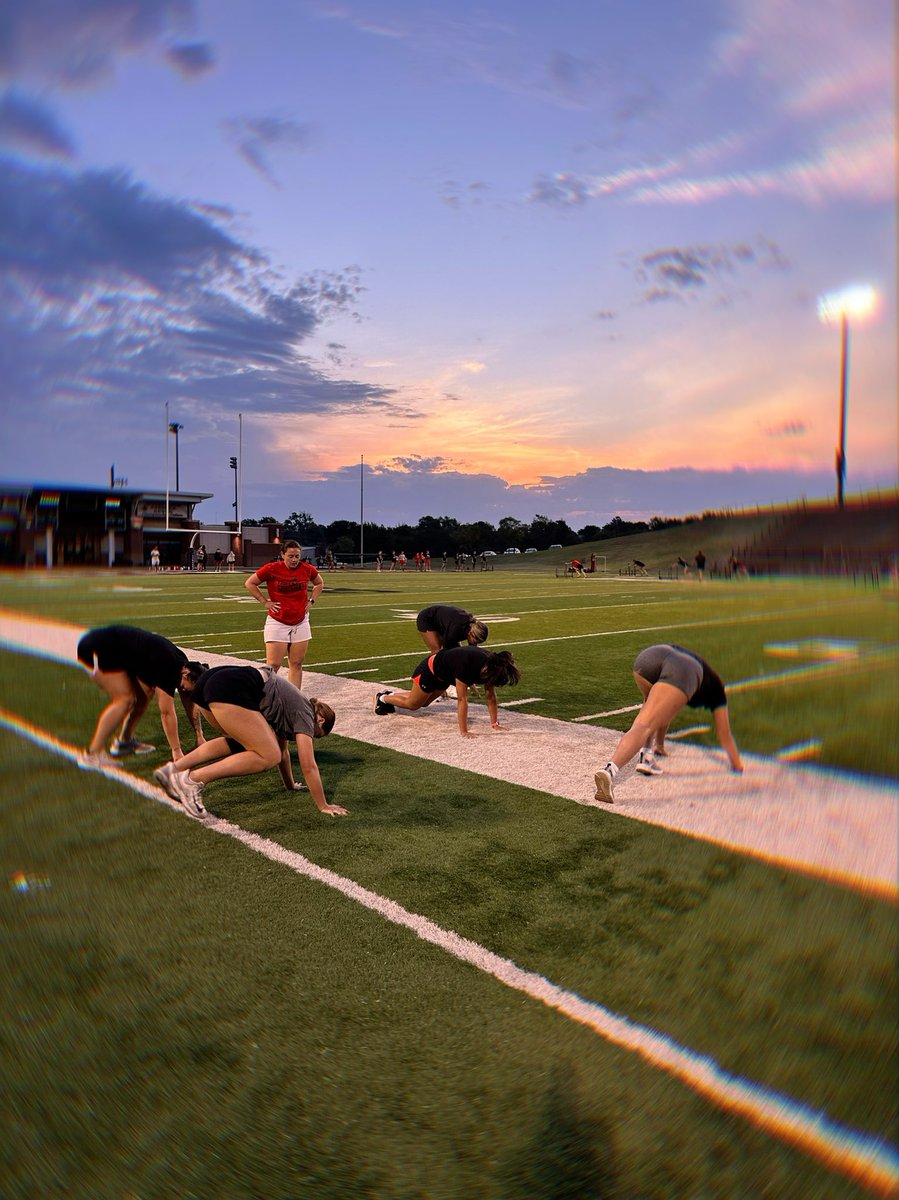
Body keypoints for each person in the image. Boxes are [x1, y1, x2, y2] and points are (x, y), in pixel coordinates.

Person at [154, 665, 347, 819]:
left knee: (240, 742)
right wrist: (323, 805)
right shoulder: (305, 713)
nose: (311, 737)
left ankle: (172, 769)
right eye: (317, 735)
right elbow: (308, 766)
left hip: (212, 680)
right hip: (230, 685)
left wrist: (290, 785)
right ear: (320, 720)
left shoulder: (290, 710)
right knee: (268, 755)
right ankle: (192, 780)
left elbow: (283, 752)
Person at [593, 644, 743, 804]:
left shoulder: (701, 672)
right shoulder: (718, 691)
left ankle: (646, 756)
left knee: (650, 712)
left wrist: (660, 745)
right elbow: (724, 735)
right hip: (683, 670)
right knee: (644, 725)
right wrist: (737, 765)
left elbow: (665, 715)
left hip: (649, 658)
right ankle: (610, 771)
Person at [76, 625, 206, 768]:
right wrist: (177, 751)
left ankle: (124, 743)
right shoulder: (169, 669)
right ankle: (91, 754)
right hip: (98, 648)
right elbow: (166, 713)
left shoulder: (183, 665)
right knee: (125, 700)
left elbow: (188, 700)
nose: (183, 690)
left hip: (122, 652)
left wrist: (199, 735)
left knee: (144, 696)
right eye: (186, 688)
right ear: (186, 675)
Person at [373, 646, 520, 738]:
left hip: (444, 676)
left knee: (424, 704)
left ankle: (391, 695)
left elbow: (491, 697)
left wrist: (495, 723)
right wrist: (464, 731)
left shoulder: (491, 666)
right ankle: (383, 698)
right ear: (487, 670)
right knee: (413, 705)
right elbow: (462, 699)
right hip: (429, 672)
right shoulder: (466, 663)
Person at [244, 540, 323, 690]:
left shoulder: (307, 568)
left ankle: (294, 698)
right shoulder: (272, 568)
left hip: (300, 621)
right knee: (273, 665)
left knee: (296, 663)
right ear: (282, 555)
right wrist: (264, 601)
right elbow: (250, 583)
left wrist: (311, 600)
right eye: (290, 556)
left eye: (297, 556)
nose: (294, 560)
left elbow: (319, 583)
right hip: (277, 621)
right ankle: (265, 697)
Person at [415, 604, 488, 653]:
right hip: (428, 619)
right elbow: (445, 648)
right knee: (438, 652)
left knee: (456, 651)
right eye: (476, 641)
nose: (476, 644)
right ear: (471, 634)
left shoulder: (470, 628)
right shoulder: (455, 630)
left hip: (445, 623)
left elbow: (471, 649)